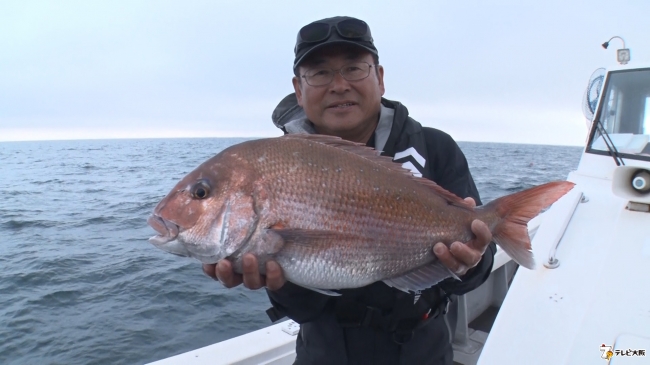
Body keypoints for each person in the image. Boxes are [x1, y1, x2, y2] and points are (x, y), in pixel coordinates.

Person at [202, 16, 496, 365]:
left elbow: (474, 271)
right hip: (324, 353)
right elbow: (305, 306)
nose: (339, 85)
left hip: (423, 350)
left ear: (380, 77)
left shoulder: (436, 148)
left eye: (354, 68)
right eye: (320, 73)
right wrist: (279, 283)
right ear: (298, 89)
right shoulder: (276, 168)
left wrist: (471, 263)